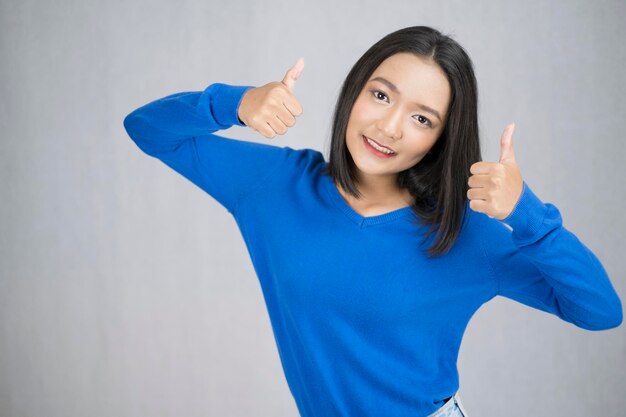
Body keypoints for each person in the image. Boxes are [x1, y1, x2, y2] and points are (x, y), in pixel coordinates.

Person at [123, 26, 622, 417]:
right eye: (381, 96)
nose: (388, 127)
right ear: (354, 93)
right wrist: (232, 103)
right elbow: (147, 129)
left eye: (422, 119)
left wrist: (528, 215)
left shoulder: (464, 235)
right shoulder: (275, 185)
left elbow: (599, 311)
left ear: (440, 140)